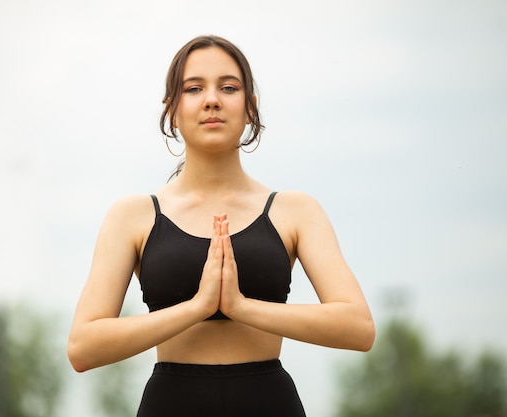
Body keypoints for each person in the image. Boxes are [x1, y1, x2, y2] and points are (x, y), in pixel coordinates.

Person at [67, 35, 375, 417]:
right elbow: (83, 347)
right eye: (194, 88)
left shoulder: (295, 210)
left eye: (228, 87)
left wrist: (240, 306)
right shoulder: (132, 216)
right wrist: (196, 307)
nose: (212, 99)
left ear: (250, 108)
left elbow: (358, 326)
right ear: (172, 110)